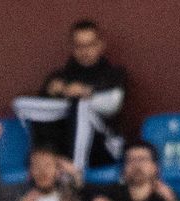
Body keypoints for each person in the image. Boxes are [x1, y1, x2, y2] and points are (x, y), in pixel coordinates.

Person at [18, 20, 128, 171]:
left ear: (100, 45)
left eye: (90, 45)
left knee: (82, 104)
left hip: (104, 148)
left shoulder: (114, 74)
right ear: (72, 48)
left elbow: (114, 101)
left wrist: (86, 91)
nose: (85, 51)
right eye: (79, 46)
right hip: (65, 147)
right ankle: (45, 161)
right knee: (22, 104)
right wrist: (53, 91)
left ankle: (76, 171)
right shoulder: (60, 76)